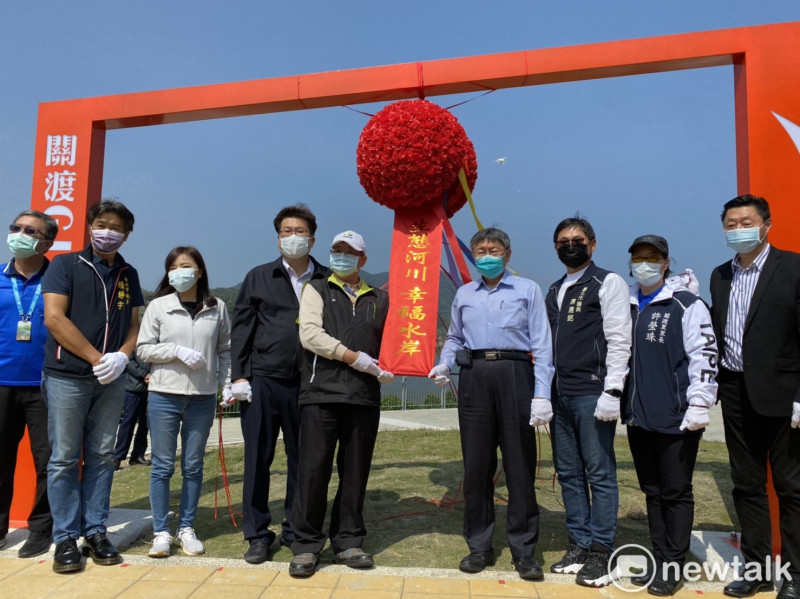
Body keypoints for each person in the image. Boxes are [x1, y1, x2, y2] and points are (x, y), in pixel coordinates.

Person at [428, 227, 554, 582]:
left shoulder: (527, 290)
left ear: (507, 255)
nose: (487, 255)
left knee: (519, 464)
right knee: (477, 466)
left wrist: (542, 392)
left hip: (516, 373)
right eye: (480, 250)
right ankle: (479, 546)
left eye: (494, 250)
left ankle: (524, 550)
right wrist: (444, 361)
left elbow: (542, 344)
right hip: (475, 376)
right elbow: (454, 336)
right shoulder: (465, 293)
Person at [42, 199, 143, 573]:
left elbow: (133, 324)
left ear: (127, 234)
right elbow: (55, 318)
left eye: (116, 227)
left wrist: (121, 356)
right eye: (102, 224)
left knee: (103, 456)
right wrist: (96, 358)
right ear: (89, 226)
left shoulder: (128, 273)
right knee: (65, 457)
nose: (108, 232)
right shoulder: (66, 265)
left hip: (112, 380)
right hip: (67, 376)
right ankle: (65, 537)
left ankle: (96, 531)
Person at [709, 195, 800, 599]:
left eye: (746, 221)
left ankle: (796, 575)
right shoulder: (720, 275)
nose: (738, 229)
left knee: (790, 487)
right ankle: (758, 568)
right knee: (746, 485)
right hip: (735, 391)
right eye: (730, 223)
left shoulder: (794, 268)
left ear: (767, 224)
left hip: (783, 396)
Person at [288, 230, 393, 578]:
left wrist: (398, 365)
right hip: (321, 393)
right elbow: (310, 335)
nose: (342, 256)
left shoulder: (380, 297)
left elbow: (392, 341)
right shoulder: (316, 288)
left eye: (350, 252)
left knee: (356, 471)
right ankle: (305, 544)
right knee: (313, 470)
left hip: (364, 396)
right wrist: (353, 358)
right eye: (337, 251)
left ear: (363, 259)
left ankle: (348, 539)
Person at [229, 204, 329, 564]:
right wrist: (239, 376)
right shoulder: (259, 276)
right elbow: (242, 330)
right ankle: (257, 534)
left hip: (310, 383)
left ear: (312, 238)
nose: (292, 237)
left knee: (304, 461)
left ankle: (295, 528)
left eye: (298, 231)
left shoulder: (326, 278)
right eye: (285, 231)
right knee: (258, 458)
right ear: (277, 237)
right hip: (264, 380)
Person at [622, 234, 718, 597]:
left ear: (665, 261)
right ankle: (659, 555)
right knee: (652, 491)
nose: (644, 263)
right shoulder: (628, 303)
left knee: (676, 490)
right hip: (638, 416)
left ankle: (674, 562)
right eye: (637, 257)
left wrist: (699, 403)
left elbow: (704, 355)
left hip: (678, 417)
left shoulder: (686, 304)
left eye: (651, 257)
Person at [544, 216, 631, 587]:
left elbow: (619, 338)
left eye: (577, 240)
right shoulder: (554, 289)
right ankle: (578, 542)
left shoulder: (607, 281)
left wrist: (613, 390)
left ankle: (601, 549)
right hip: (559, 394)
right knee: (568, 472)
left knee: (599, 472)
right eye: (563, 241)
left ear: (592, 244)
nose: (570, 245)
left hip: (592, 393)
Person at [136, 246, 231, 558]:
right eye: (174, 267)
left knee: (193, 465)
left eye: (187, 265)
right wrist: (175, 351)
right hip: (164, 395)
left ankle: (187, 528)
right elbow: (143, 349)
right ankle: (161, 532)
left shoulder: (217, 307)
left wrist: (225, 383)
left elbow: (224, 350)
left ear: (200, 271)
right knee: (162, 466)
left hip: (202, 398)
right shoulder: (159, 306)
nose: (180, 271)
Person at [0, 210, 57, 558]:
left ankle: (41, 529)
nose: (19, 234)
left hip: (46, 385)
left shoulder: (58, 281)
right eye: (16, 228)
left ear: (46, 242)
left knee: (48, 461)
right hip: (1, 383)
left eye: (30, 231)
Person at [112, 355, 151, 470]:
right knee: (128, 423)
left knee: (145, 424)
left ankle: (138, 455)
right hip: (133, 387)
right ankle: (117, 457)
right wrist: (144, 374)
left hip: (150, 387)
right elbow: (128, 361)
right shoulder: (133, 338)